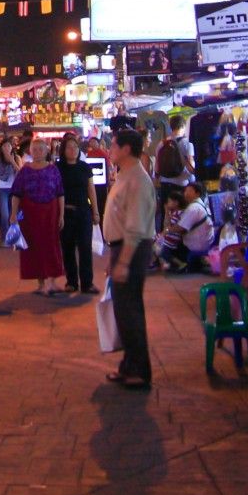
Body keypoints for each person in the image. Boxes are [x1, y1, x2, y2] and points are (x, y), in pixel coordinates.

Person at [102, 129, 157, 389]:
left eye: (113, 145)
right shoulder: (126, 175)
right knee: (124, 310)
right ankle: (129, 364)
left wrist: (123, 261)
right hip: (121, 247)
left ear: (126, 149)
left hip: (131, 249)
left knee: (130, 310)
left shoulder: (138, 180)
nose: (110, 149)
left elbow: (135, 227)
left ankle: (138, 369)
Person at [8, 140, 66, 296]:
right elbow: (16, 194)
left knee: (52, 245)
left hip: (50, 212)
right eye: (35, 149)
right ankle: (41, 283)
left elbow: (60, 193)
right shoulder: (24, 171)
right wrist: (13, 214)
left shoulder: (53, 170)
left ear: (47, 151)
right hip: (30, 213)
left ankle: (52, 281)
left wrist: (61, 215)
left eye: (41, 149)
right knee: (33, 246)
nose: (38, 152)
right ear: (30, 152)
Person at [56, 137, 101, 295]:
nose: (73, 150)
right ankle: (71, 282)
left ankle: (87, 283)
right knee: (67, 248)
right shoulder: (58, 167)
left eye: (75, 147)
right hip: (65, 212)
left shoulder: (84, 167)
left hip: (83, 211)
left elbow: (91, 189)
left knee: (85, 248)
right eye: (69, 147)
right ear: (63, 150)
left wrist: (95, 211)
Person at [159, 183, 217, 273]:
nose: (186, 193)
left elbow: (180, 228)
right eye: (185, 190)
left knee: (163, 248)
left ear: (197, 193)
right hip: (204, 243)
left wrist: (166, 230)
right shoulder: (199, 204)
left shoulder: (193, 208)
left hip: (197, 246)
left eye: (189, 191)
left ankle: (180, 265)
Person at [153, 114, 193, 232]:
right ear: (183, 126)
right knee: (181, 217)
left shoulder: (162, 143)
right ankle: (178, 242)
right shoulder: (187, 144)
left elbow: (157, 167)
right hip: (181, 185)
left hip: (165, 185)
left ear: (171, 126)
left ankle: (163, 240)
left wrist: (157, 181)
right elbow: (191, 168)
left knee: (166, 215)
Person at [0, 139, 19, 237]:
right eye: (4, 146)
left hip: (14, 189)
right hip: (2, 189)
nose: (7, 148)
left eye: (8, 146)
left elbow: (21, 173)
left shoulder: (16, 158)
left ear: (12, 147)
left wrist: (12, 161)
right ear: (1, 148)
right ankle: (6, 236)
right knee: (5, 214)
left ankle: (14, 235)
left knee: (14, 214)